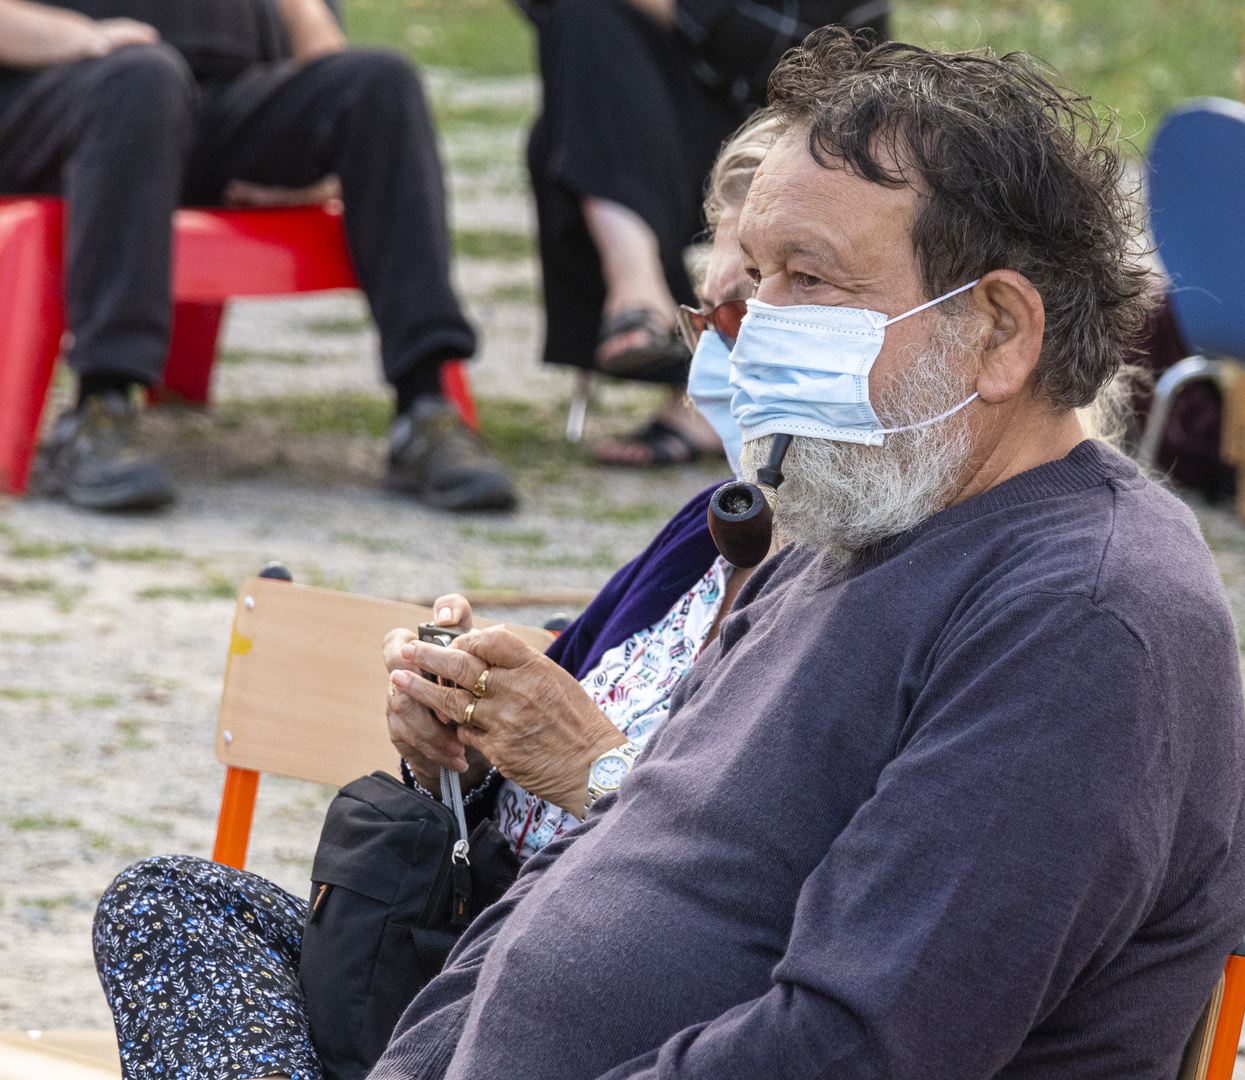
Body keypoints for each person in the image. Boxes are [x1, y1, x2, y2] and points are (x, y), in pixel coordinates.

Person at [371, 32, 1245, 1080]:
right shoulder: (854, 530)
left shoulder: (1082, 619)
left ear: (999, 331)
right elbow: (587, 874)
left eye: (809, 278)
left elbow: (857, 1047)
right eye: (751, 282)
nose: (752, 330)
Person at [90, 113, 783, 1080]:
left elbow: (758, 880)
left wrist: (592, 765)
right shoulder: (706, 531)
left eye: (752, 310)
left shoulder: (855, 586)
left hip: (590, 994)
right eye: (707, 317)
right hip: (459, 944)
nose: (716, 351)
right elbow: (529, 736)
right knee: (167, 903)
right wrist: (453, 730)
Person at [0, 0, 517, 512]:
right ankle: (100, 408)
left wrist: (324, 152)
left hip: (213, 101)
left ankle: (425, 409)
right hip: (63, 89)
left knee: (379, 83)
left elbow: (306, 20)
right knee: (142, 78)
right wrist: (77, 38)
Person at [516, 0, 887, 467]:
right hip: (655, 123)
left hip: (801, 120)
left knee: (572, 124)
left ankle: (645, 300)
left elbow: (785, 41)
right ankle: (660, 315)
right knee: (580, 24)